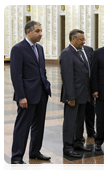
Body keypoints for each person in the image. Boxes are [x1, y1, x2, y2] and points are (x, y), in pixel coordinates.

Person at [10, 20, 51, 168]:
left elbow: (42, 70)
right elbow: (16, 75)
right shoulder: (18, 49)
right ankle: (16, 157)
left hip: (41, 93)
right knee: (23, 127)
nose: (41, 34)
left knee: (38, 125)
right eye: (37, 31)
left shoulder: (39, 48)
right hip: (26, 96)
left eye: (41, 31)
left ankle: (35, 151)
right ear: (28, 32)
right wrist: (21, 96)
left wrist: (46, 84)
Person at [60, 29, 92, 158]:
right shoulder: (67, 53)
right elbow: (67, 77)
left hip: (83, 94)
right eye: (81, 39)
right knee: (70, 121)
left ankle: (78, 142)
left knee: (80, 121)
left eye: (84, 39)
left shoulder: (80, 52)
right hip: (73, 95)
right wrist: (71, 97)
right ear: (73, 39)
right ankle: (68, 146)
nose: (84, 42)